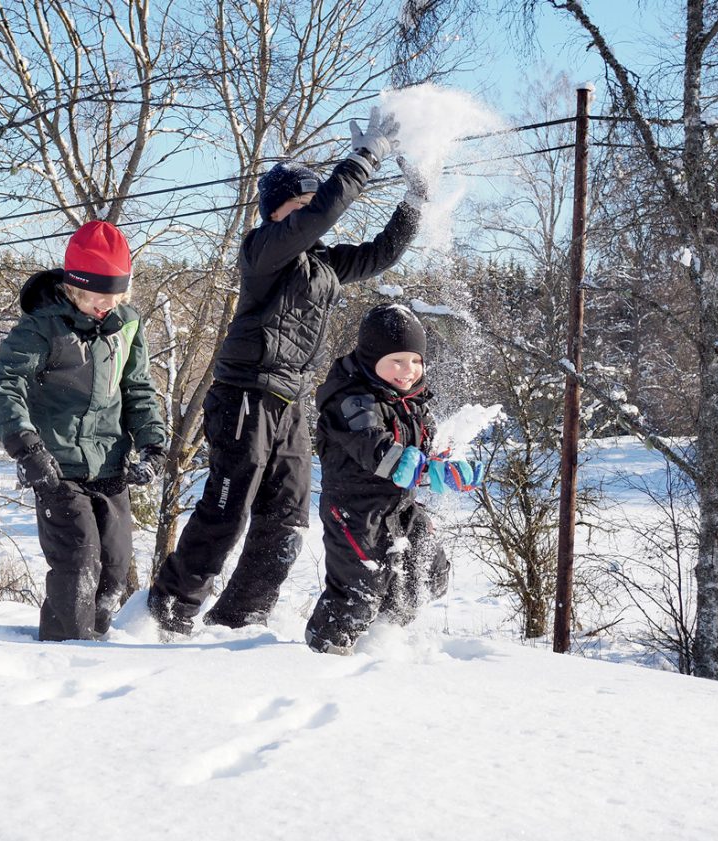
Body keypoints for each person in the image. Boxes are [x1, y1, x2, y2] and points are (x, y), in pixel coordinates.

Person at [148, 108, 427, 635]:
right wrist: (365, 157)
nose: (308, 215)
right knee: (227, 510)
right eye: (299, 206)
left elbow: (381, 254)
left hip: (288, 401)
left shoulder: (322, 266)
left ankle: (240, 621)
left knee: (288, 519)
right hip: (244, 395)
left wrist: (415, 199)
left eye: (308, 205)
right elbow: (321, 216)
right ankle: (168, 611)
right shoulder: (263, 251)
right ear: (277, 213)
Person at [0, 220, 166, 642]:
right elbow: (3, 384)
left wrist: (152, 443)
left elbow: (137, 388)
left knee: (114, 569)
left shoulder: (126, 325)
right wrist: (26, 446)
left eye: (116, 295)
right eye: (98, 295)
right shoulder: (42, 329)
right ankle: (66, 652)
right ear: (74, 287)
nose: (108, 304)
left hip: (110, 465)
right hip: (57, 467)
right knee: (79, 563)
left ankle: (93, 645)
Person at [305, 303, 477, 656]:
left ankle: (382, 644)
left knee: (426, 573)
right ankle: (324, 649)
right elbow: (374, 447)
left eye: (415, 360)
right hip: (355, 512)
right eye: (396, 361)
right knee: (361, 586)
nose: (408, 370)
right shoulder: (350, 400)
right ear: (371, 358)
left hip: (400, 507)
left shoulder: (413, 402)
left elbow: (431, 447)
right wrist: (417, 467)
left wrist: (449, 464)